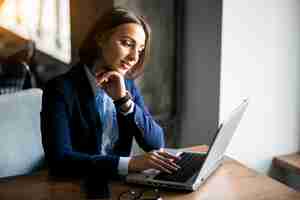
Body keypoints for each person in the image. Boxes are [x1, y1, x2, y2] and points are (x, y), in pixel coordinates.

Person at [41, 7, 180, 179]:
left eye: (140, 49)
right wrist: (130, 164)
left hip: (117, 185)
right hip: (77, 187)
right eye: (127, 43)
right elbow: (59, 161)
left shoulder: (127, 85)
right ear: (101, 37)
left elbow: (156, 143)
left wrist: (124, 102)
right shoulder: (60, 89)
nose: (134, 57)